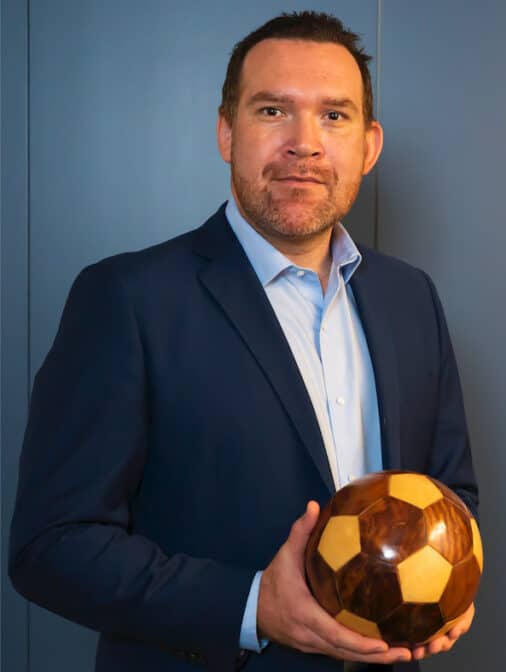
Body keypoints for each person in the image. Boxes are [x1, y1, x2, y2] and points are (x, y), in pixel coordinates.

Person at [7, 11, 477, 672]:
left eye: (334, 116)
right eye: (272, 111)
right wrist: (254, 605)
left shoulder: (410, 298)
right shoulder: (128, 299)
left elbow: (451, 496)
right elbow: (51, 546)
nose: (304, 144)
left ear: (369, 146)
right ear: (227, 132)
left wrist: (447, 585)